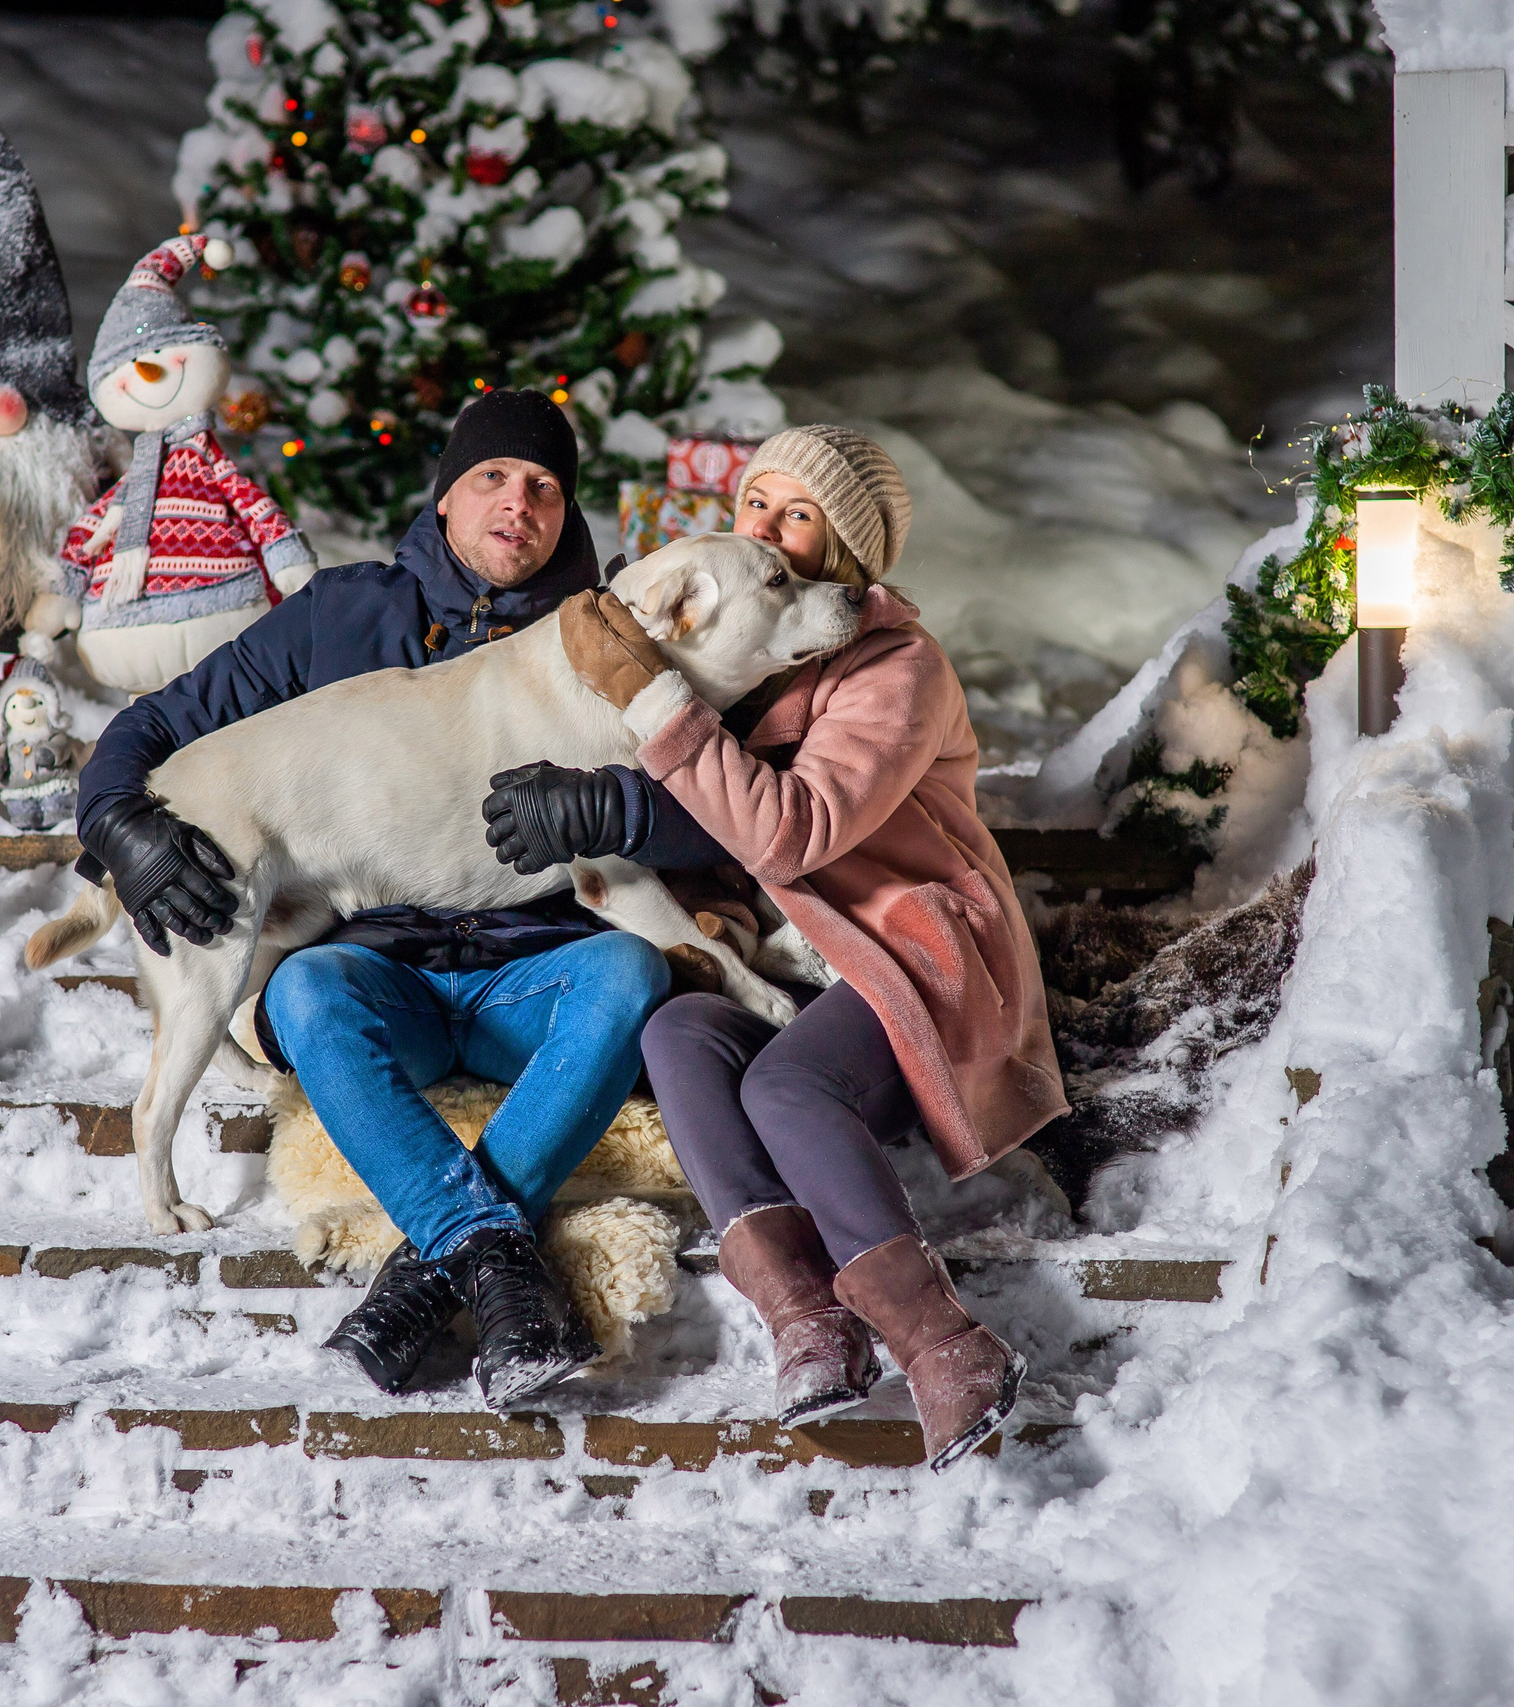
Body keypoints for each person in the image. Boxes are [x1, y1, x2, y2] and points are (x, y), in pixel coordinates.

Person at [478, 425, 1067, 1468]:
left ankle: (942, 1341)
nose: (768, 533)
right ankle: (805, 1317)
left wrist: (651, 714)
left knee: (787, 1089)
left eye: (800, 515)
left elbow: (790, 828)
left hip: (903, 951)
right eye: (758, 505)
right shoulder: (745, 649)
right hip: (786, 956)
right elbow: (702, 831)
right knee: (681, 1034)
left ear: (847, 549)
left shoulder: (897, 668)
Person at [71, 388, 671, 1411]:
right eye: (491, 477)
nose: (516, 502)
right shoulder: (342, 615)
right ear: (444, 498)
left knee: (630, 971)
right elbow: (158, 723)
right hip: (379, 972)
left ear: (569, 519)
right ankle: (486, 1259)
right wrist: (117, 823)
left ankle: (431, 1275)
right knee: (304, 996)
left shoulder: (608, 642)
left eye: (543, 487)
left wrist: (616, 808)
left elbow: (710, 809)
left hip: (537, 972)